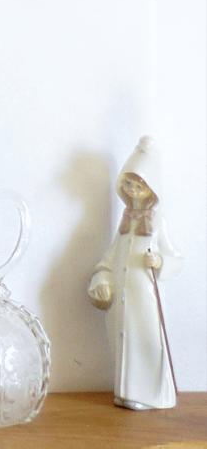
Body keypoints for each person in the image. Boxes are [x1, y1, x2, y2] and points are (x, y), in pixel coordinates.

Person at [87, 136, 183, 409]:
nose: (132, 188)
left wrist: (160, 261)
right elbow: (109, 258)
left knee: (147, 343)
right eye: (129, 182)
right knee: (125, 341)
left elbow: (176, 257)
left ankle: (150, 395)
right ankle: (127, 390)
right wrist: (102, 279)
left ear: (151, 188)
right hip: (125, 301)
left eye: (139, 184)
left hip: (145, 299)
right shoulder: (125, 221)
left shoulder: (157, 221)